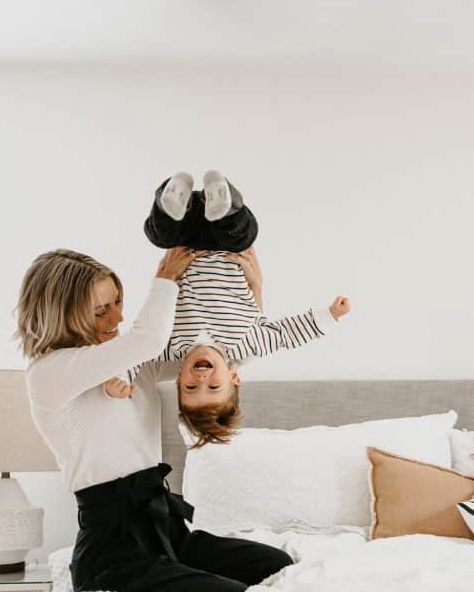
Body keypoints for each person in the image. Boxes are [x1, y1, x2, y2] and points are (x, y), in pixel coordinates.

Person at [17, 248, 292, 592]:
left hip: (168, 533)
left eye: (117, 302)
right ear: (61, 315)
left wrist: (254, 289)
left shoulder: (133, 363)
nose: (117, 318)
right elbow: (147, 339)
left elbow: (225, 356)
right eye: (101, 310)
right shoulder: (48, 373)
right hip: (113, 554)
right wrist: (165, 280)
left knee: (277, 566)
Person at [109, 171, 351, 447]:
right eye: (213, 387)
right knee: (242, 233)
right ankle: (223, 201)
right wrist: (330, 316)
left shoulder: (169, 346)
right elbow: (287, 335)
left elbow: (136, 353)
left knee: (159, 234)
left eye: (190, 387)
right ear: (234, 377)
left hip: (185, 238)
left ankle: (173, 196)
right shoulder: (247, 345)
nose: (201, 378)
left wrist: (119, 377)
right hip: (226, 247)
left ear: (178, 380)